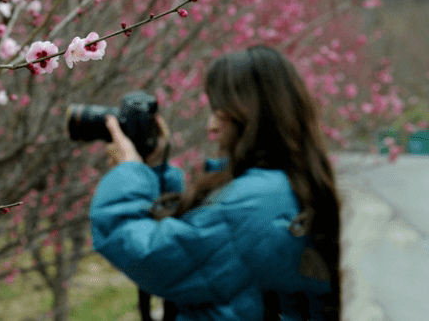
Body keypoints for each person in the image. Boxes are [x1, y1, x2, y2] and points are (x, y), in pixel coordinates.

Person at [90, 46, 340, 321]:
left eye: (218, 112)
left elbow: (149, 256)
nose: (210, 127)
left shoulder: (252, 203)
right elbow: (202, 236)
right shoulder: (282, 184)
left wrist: (129, 171)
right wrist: (154, 170)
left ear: (248, 114)